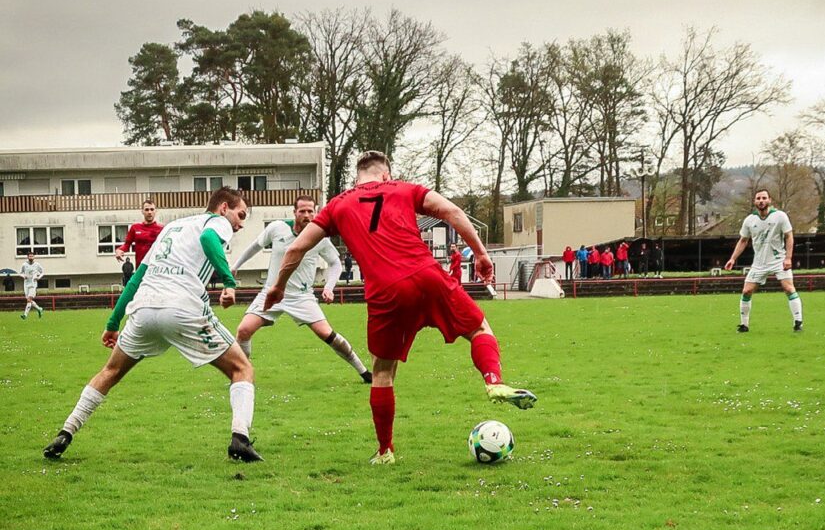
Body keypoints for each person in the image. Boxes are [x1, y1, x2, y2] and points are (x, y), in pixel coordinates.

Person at [263, 151, 537, 465]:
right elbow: (451, 211)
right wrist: (481, 253)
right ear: (386, 175)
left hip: (385, 293)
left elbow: (296, 248)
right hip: (427, 276)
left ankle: (385, 451)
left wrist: (278, 287)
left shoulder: (338, 205)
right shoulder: (405, 190)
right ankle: (493, 381)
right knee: (478, 328)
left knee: (382, 372)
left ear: (357, 178)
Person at [42, 187, 262, 463]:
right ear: (224, 208)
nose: (241, 224)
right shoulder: (216, 222)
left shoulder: (171, 228)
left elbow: (137, 278)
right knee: (242, 369)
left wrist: (113, 322)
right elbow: (208, 238)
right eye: (241, 215)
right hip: (182, 308)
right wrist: (229, 282)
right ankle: (240, 439)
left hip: (144, 309)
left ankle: (66, 432)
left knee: (110, 371)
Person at [231, 196, 371, 382]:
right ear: (294, 212)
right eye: (302, 211)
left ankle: (364, 372)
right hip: (271, 293)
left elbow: (335, 263)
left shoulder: (320, 237)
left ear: (316, 212)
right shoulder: (277, 228)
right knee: (243, 330)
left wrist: (329, 287)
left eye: (310, 211)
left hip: (302, 297)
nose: (306, 215)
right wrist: (236, 266)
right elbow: (255, 246)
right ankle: (241, 377)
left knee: (326, 333)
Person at [724, 188, 804, 333]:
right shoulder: (749, 220)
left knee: (788, 288)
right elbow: (743, 240)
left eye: (764, 198)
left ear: (769, 200)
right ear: (754, 201)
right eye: (758, 198)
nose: (761, 201)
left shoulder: (780, 216)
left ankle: (798, 322)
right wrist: (733, 258)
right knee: (746, 291)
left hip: (778, 260)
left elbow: (789, 236)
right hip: (759, 263)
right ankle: (744, 325)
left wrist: (788, 258)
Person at [116, 200, 164, 269]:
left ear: (155, 211)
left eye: (152, 209)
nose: (149, 212)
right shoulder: (135, 228)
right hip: (140, 267)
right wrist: (119, 250)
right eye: (146, 210)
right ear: (142, 211)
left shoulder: (162, 229)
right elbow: (127, 245)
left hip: (156, 268)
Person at [19, 250, 44, 319]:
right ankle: (39, 309)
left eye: (32, 256)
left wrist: (38, 277)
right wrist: (23, 276)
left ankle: (25, 315)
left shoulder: (37, 265)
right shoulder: (24, 265)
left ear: (34, 257)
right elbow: (20, 273)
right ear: (27, 257)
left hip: (33, 284)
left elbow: (42, 272)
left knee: (29, 299)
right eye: (30, 256)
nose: (31, 257)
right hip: (26, 284)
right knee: (29, 300)